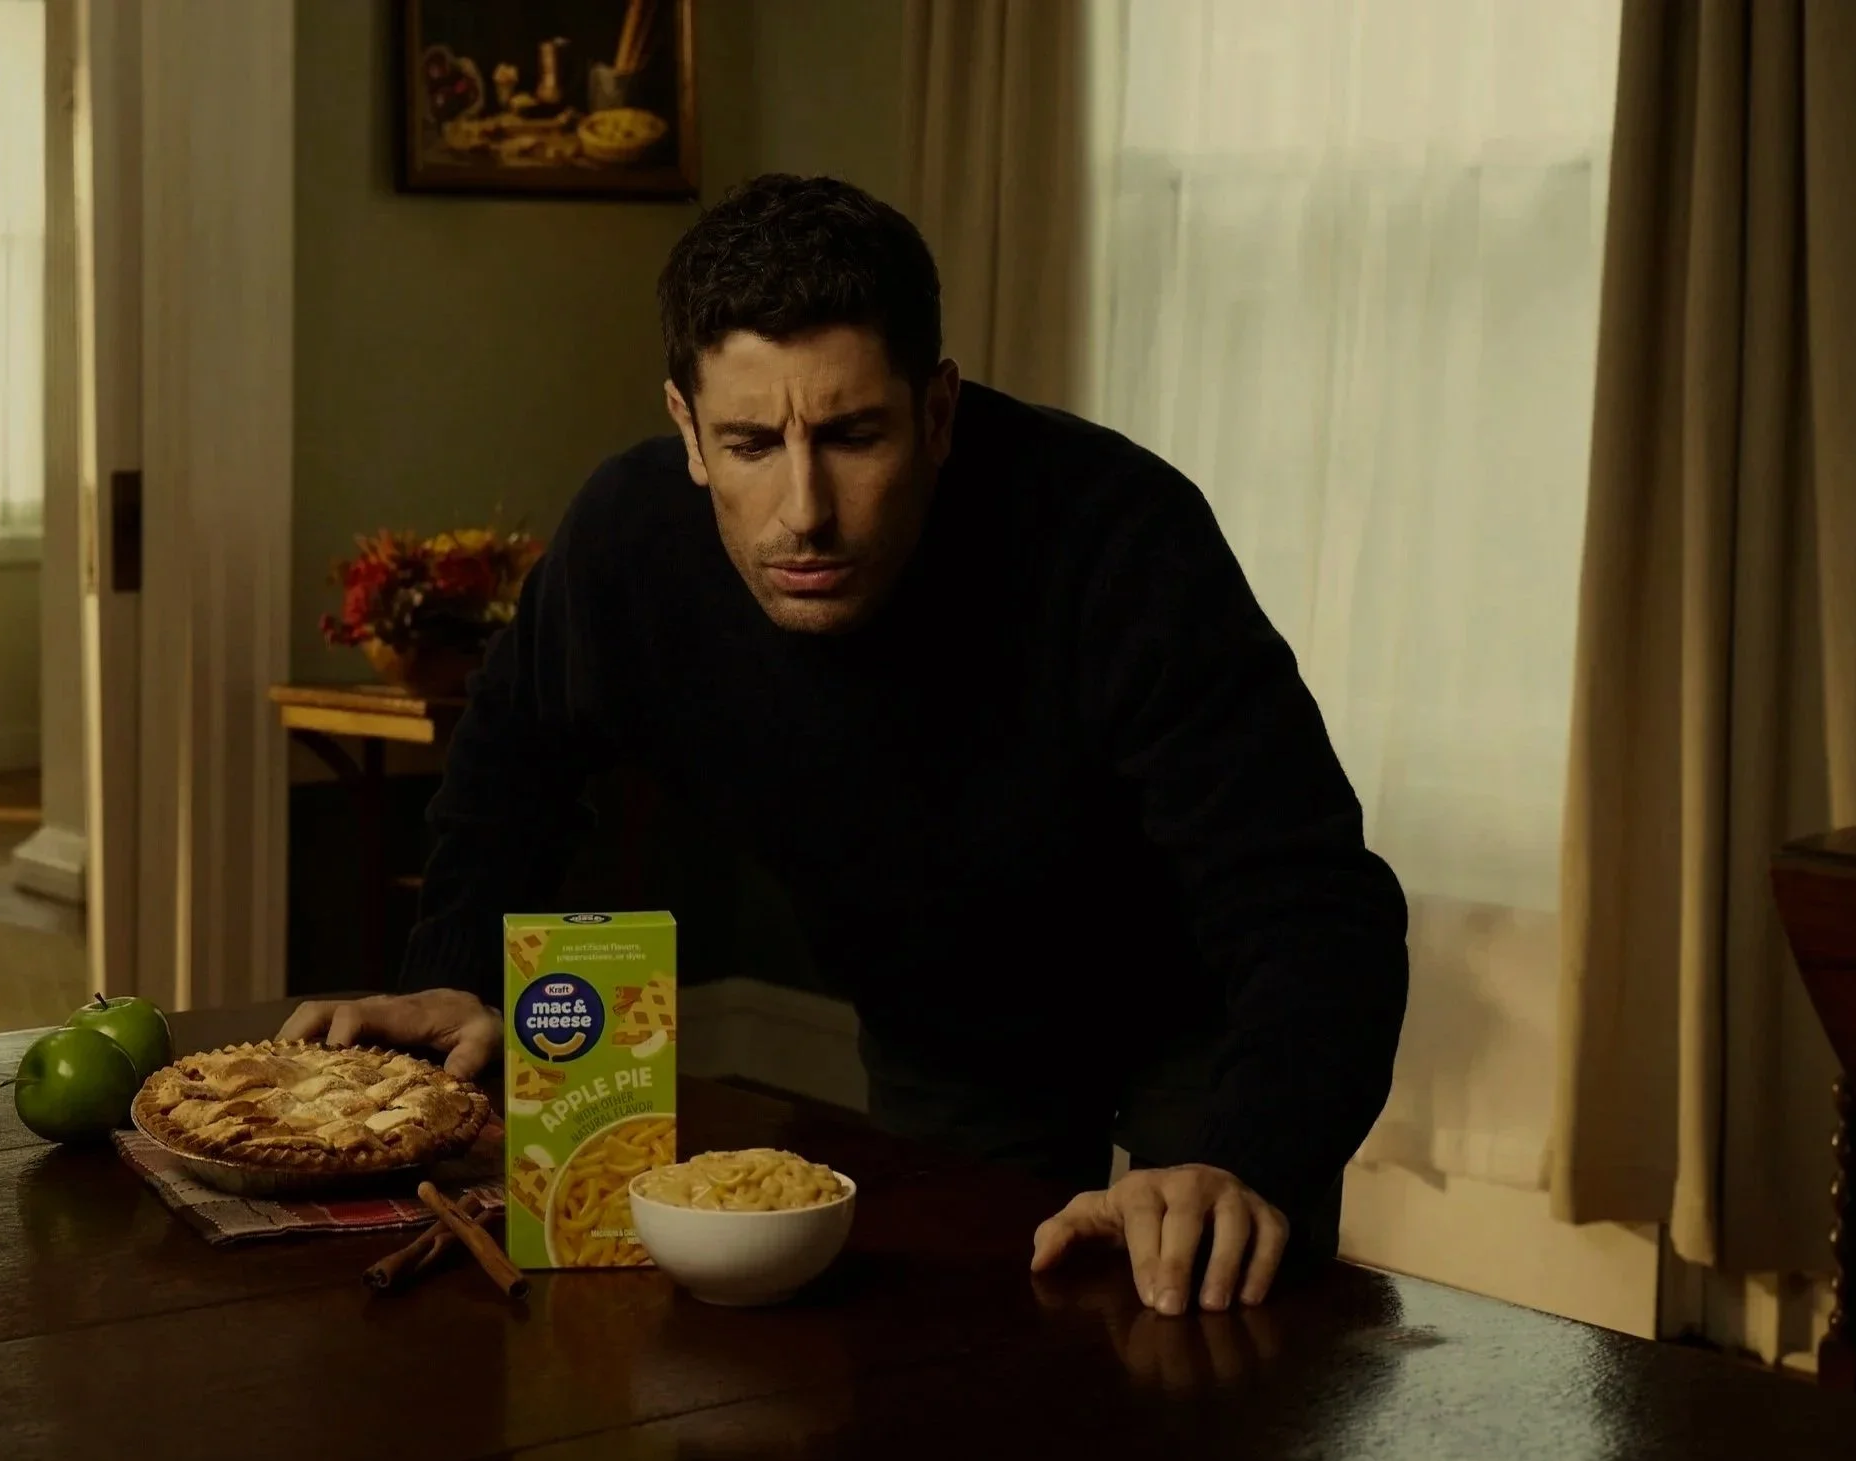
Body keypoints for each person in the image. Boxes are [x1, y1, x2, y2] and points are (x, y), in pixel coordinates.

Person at [281, 173, 1409, 1317]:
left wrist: (1252, 1155)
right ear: (687, 430)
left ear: (938, 413)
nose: (804, 511)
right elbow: (509, 769)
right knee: (956, 1347)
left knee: (1209, 1329)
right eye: (750, 443)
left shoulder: (1122, 534)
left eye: (854, 435)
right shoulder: (627, 543)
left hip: (1207, 1006)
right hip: (945, 1022)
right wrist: (453, 972)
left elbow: (1311, 897)